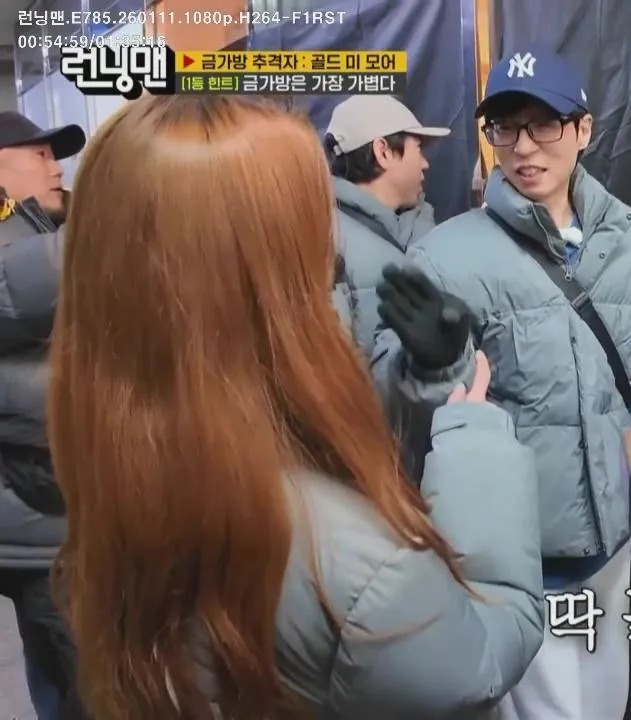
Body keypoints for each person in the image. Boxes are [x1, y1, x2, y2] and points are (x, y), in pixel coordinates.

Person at [49, 94, 545, 718]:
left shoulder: (120, 477)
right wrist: (477, 448)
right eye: (309, 231)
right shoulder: (360, 569)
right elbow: (477, 660)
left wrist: (430, 372)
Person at [373, 48, 631, 719]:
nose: (523, 147)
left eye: (544, 124)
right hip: (517, 551)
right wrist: (430, 364)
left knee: (603, 699)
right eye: (505, 127)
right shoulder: (447, 257)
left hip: (613, 535)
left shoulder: (623, 241)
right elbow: (393, 404)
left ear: (583, 130)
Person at [0, 110, 86, 720]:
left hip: (64, 503)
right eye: (39, 155)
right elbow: (14, 288)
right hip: (40, 507)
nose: (56, 168)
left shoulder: (45, 227)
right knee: (90, 684)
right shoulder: (33, 247)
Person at [324, 94, 448, 358]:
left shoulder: (424, 228)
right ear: (383, 152)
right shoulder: (325, 242)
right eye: (418, 148)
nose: (425, 163)